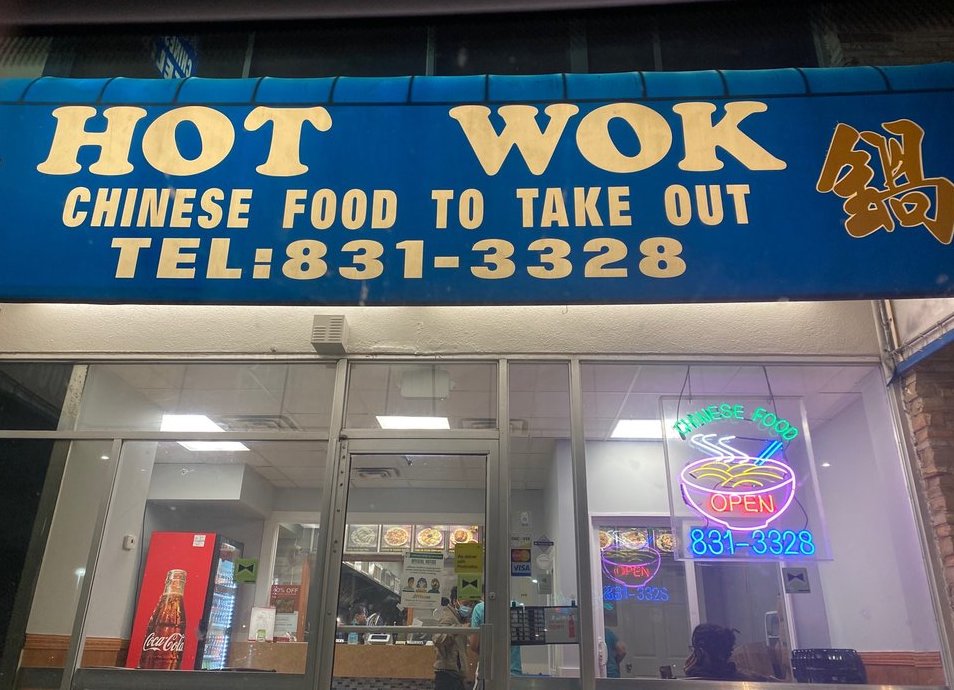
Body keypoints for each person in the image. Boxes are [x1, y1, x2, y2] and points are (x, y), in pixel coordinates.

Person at [684, 623, 777, 681]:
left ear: (700, 652)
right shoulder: (747, 679)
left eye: (694, 649)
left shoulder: (696, 683)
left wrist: (691, 674)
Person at [469, 596, 522, 688]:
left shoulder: (480, 608)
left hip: (489, 673)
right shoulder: (516, 606)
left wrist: (486, 652)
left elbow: (474, 644)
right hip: (514, 671)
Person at [433, 586, 471, 690]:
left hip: (454, 673)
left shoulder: (458, 618)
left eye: (470, 605)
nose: (468, 608)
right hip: (447, 674)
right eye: (465, 604)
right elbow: (438, 639)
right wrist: (459, 629)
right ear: (455, 601)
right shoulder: (448, 617)